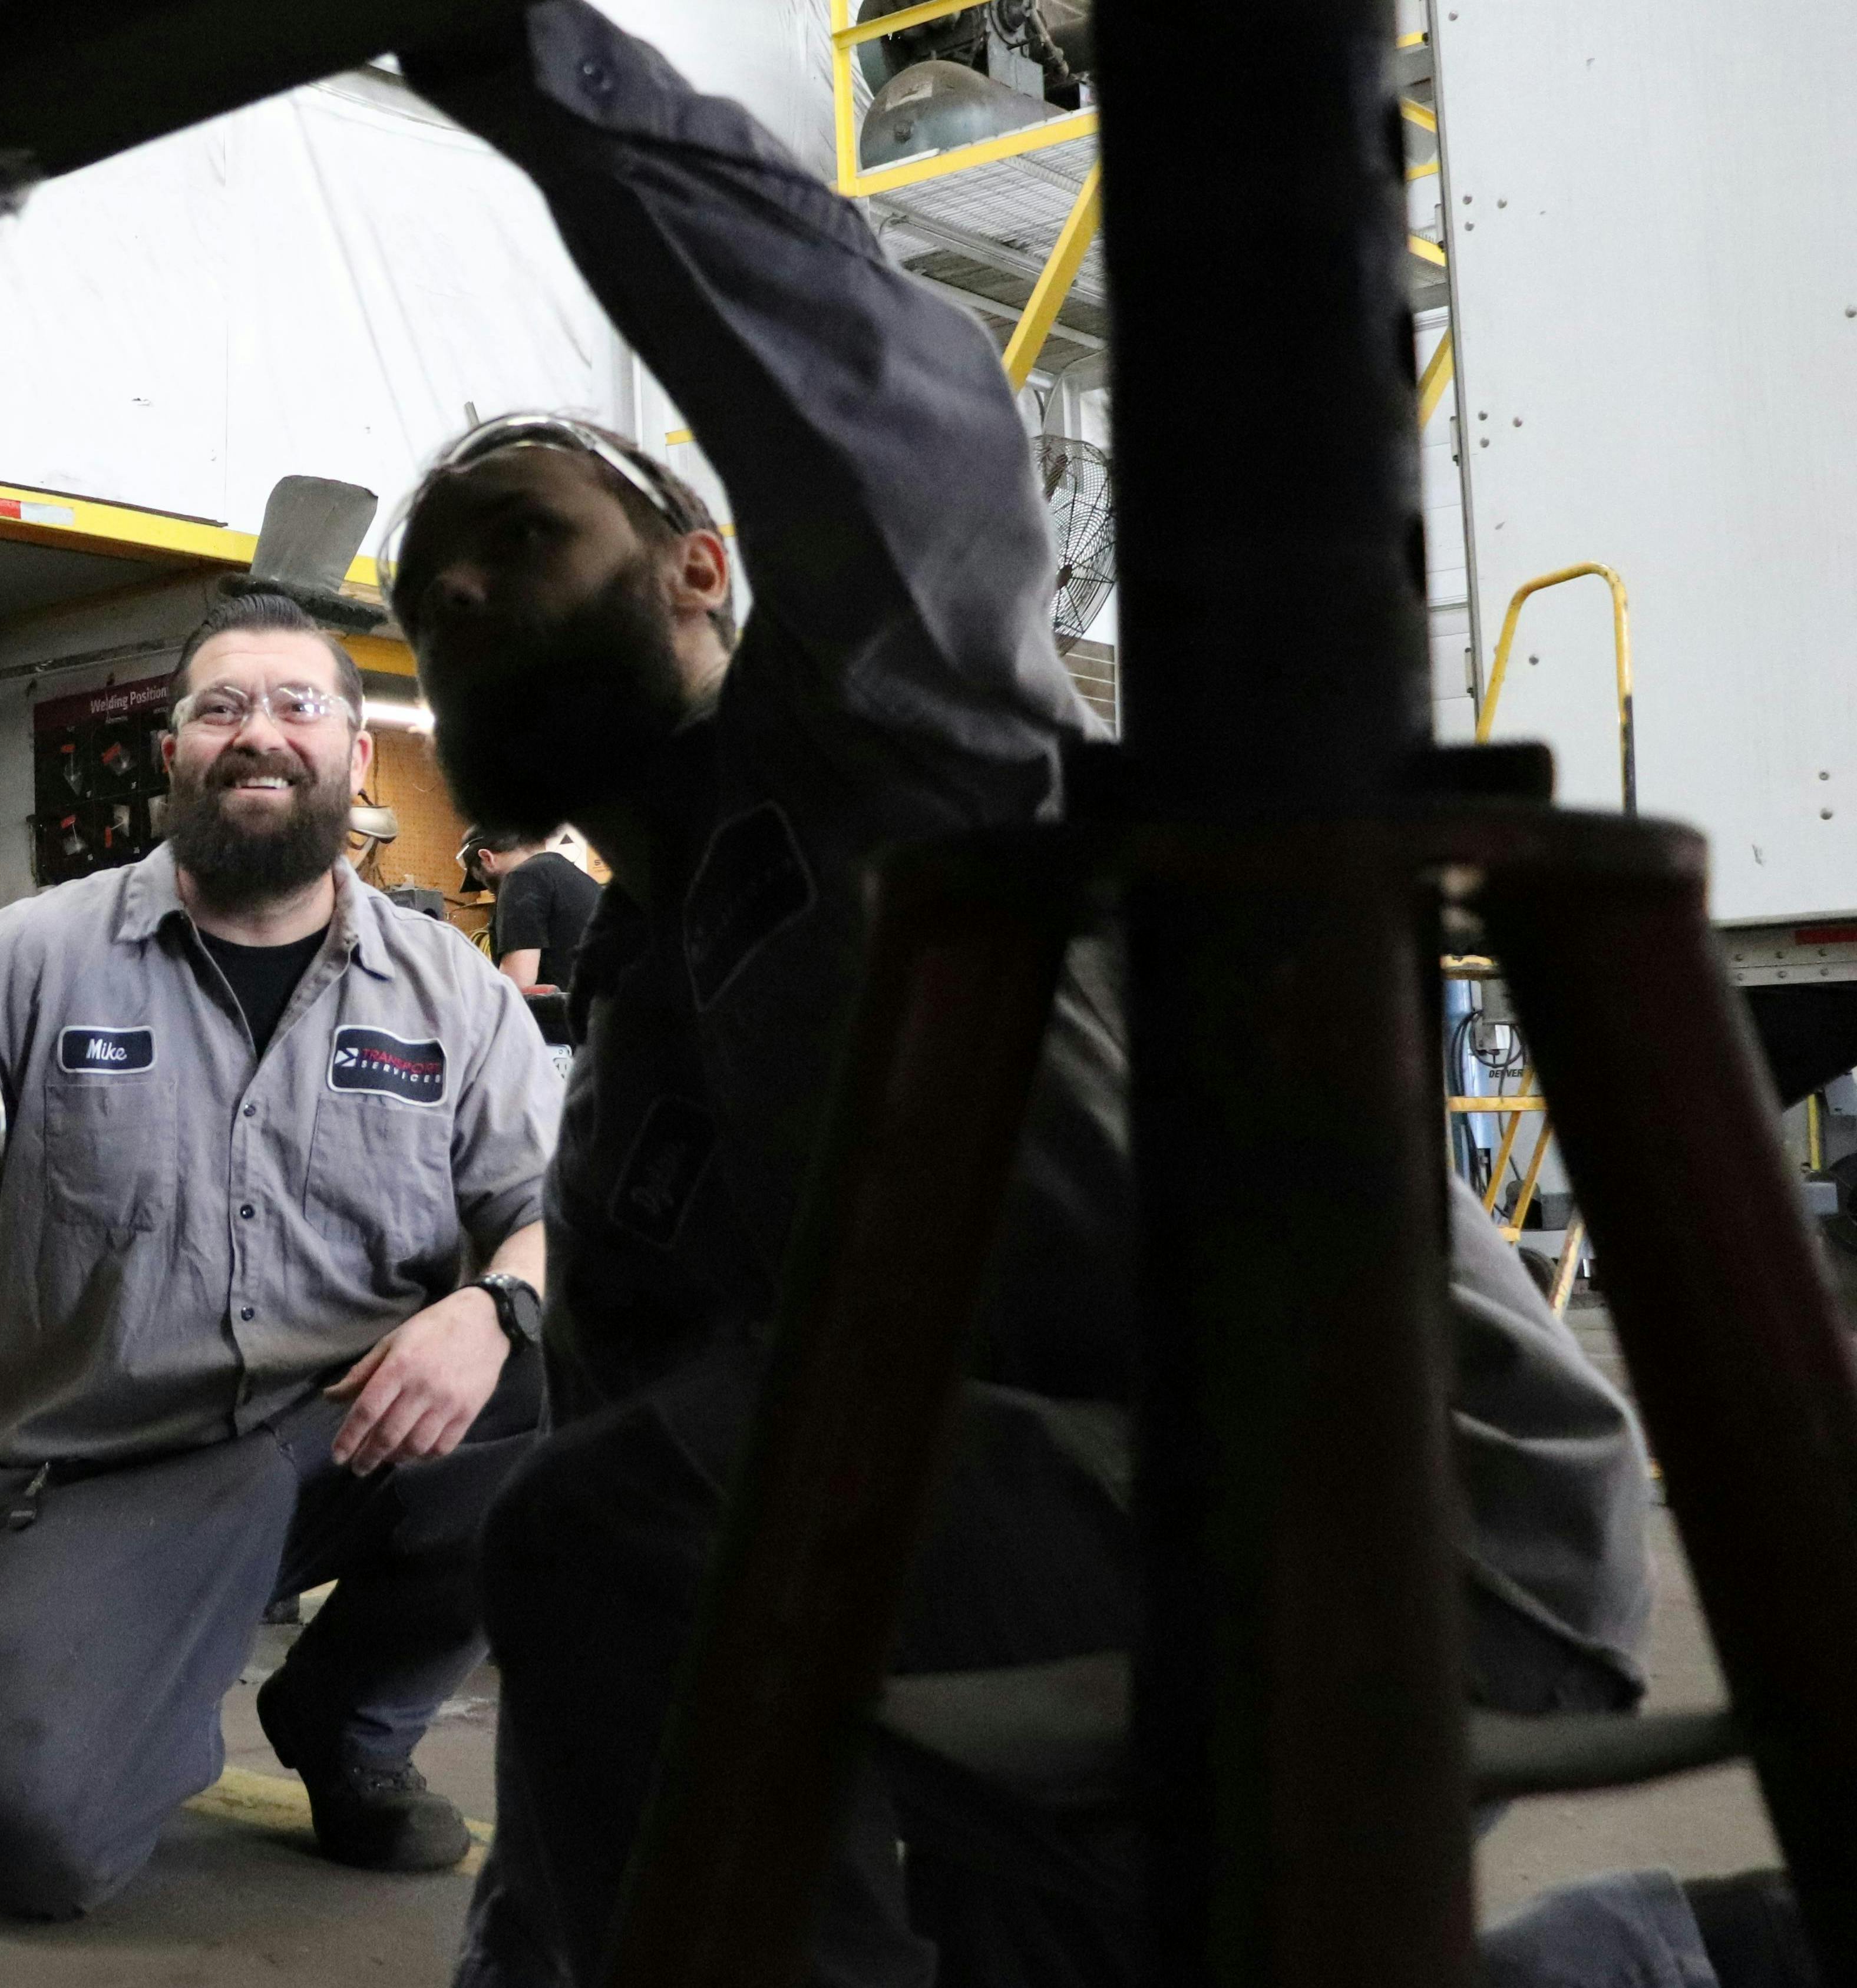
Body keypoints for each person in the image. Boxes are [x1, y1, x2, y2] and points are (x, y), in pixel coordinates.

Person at [383, 9, 1671, 1985]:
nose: (459, 598)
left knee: (613, 1527)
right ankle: (1675, 1954)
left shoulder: (890, 733)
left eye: (525, 538)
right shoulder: (633, 1086)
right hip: (1071, 1550)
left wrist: (518, 58)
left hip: (1411, 1500)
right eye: (424, 595)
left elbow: (881, 388)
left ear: (706, 565)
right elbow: (623, 1726)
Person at [0, 579, 563, 1920]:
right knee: (38, 1851)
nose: (261, 731)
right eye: (222, 707)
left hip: (349, 1434)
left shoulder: (452, 998)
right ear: (175, 757)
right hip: (108, 1467)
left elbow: (555, 1208)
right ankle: (106, 1646)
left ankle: (350, 1725)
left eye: (298, 703)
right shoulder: (18, 963)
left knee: (567, 1376)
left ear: (356, 756)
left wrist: (492, 1304)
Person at [466, 828, 601, 994]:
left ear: (487, 858)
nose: (490, 890)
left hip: (561, 1017)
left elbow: (516, 986)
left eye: (482, 880)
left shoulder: (521, 878)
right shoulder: (577, 877)